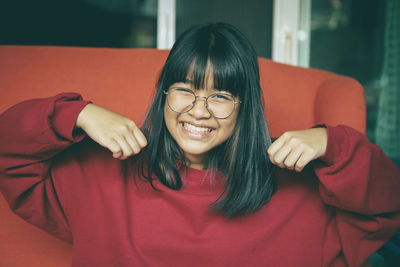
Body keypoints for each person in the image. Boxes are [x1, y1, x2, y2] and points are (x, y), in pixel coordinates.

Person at [0, 23, 399, 267]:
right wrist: (78, 113)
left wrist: (333, 142)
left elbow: (387, 203)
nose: (199, 111)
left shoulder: (304, 194)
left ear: (247, 108)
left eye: (221, 96)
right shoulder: (95, 175)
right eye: (185, 91)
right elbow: (9, 152)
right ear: (163, 95)